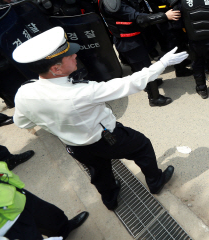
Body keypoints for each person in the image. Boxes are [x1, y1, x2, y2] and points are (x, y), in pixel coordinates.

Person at [12, 26, 186, 210]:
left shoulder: (24, 93)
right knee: (142, 146)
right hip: (105, 139)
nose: (75, 55)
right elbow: (129, 84)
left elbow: (22, 122)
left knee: (98, 171)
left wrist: (53, 123)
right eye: (69, 55)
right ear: (55, 68)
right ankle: (155, 181)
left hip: (75, 146)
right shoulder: (82, 92)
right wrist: (162, 64)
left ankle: (110, 199)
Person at [92, 0, 177, 107]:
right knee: (144, 68)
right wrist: (165, 16)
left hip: (134, 36)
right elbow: (138, 17)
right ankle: (154, 98)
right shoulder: (111, 0)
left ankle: (149, 84)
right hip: (129, 40)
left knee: (144, 66)